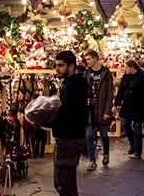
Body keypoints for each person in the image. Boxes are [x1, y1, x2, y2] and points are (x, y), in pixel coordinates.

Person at [49, 50, 88, 196]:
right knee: (67, 183)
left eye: (61, 65)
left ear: (71, 66)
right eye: (56, 65)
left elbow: (67, 115)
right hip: (70, 138)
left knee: (64, 183)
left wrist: (48, 119)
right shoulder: (72, 84)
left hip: (69, 140)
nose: (57, 69)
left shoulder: (72, 87)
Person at [114, 60, 144, 159]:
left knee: (137, 128)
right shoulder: (125, 78)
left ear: (133, 67)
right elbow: (121, 91)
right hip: (127, 106)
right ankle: (133, 144)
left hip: (139, 106)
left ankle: (137, 151)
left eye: (127, 67)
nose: (125, 69)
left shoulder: (143, 78)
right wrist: (117, 103)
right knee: (125, 124)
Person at [83, 49, 114, 170]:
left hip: (101, 108)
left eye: (89, 59)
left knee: (104, 135)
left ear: (96, 58)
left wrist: (107, 111)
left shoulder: (106, 73)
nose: (88, 62)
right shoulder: (87, 73)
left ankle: (106, 154)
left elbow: (110, 93)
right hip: (89, 109)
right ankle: (92, 160)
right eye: (87, 60)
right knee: (89, 135)